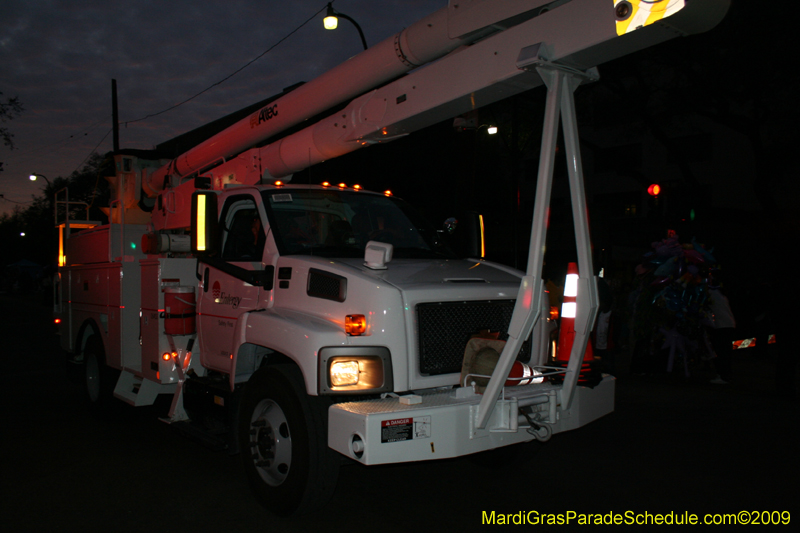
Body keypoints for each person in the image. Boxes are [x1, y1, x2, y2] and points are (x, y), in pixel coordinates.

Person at [708, 284, 736, 384]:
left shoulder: (711, 293)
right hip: (729, 324)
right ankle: (726, 374)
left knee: (721, 351)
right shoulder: (721, 295)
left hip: (722, 325)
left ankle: (724, 376)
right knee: (726, 351)